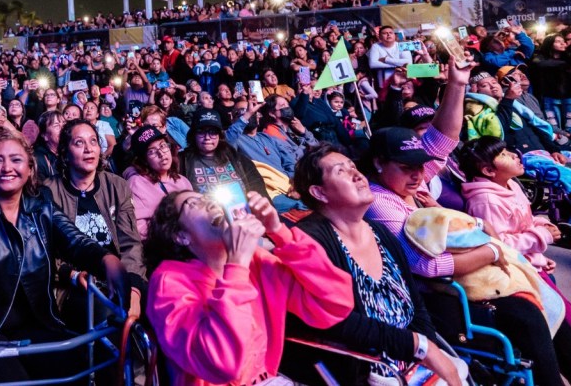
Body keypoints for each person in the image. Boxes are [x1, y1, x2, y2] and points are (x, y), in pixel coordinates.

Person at [364, 66, 571, 384]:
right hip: (440, 298)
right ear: (379, 164)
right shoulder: (379, 200)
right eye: (407, 167)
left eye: (421, 165)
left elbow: (444, 138)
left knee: (548, 306)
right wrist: (492, 250)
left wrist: (458, 84)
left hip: (475, 277)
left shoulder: (409, 182)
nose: (419, 174)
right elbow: (428, 266)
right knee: (529, 316)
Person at [0, 131, 129, 382]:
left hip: (39, 321)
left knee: (76, 374)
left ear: (30, 168)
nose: (7, 168)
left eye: (16, 160)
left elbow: (74, 240)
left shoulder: (41, 203)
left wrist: (106, 260)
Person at [289, 144, 465, 385]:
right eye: (341, 171)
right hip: (364, 368)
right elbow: (335, 321)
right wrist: (418, 346)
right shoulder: (308, 240)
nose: (357, 174)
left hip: (412, 360)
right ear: (319, 193)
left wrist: (427, 347)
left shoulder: (379, 232)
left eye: (353, 166)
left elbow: (415, 305)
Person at [143, 189, 354, 386]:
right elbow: (223, 364)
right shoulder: (168, 283)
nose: (209, 203)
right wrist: (236, 265)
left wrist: (279, 231)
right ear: (181, 236)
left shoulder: (256, 260)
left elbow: (335, 303)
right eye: (193, 204)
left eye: (208, 198)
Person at [45, 119, 147, 324]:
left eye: (93, 141)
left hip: (121, 273)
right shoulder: (49, 191)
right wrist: (71, 275)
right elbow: (46, 252)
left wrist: (133, 288)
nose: (89, 149)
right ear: (65, 152)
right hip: (76, 284)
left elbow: (130, 243)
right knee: (105, 315)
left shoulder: (116, 185)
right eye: (79, 143)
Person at [459, 137, 561, 274]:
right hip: (513, 270)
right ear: (489, 171)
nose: (514, 155)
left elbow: (525, 221)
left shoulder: (511, 185)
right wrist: (541, 236)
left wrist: (544, 226)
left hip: (528, 262)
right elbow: (499, 244)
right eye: (503, 154)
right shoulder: (486, 201)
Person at [180, 109, 269, 199]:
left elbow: (259, 191)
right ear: (193, 135)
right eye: (201, 132)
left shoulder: (237, 158)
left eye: (213, 132)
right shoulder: (181, 161)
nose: (207, 137)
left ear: (220, 135)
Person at [125, 124, 193, 236]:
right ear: (144, 160)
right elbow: (138, 228)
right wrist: (171, 234)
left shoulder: (182, 181)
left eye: (163, 146)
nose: (161, 154)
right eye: (151, 151)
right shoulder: (136, 184)